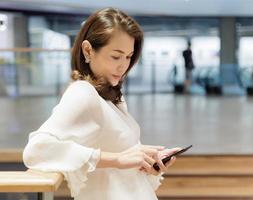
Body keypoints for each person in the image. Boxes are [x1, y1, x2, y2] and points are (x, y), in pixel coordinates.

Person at [22, 8, 181, 200]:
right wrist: (117, 159)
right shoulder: (82, 92)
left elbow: (116, 163)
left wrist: (147, 162)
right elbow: (37, 150)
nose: (124, 66)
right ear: (88, 50)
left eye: (129, 56)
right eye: (116, 56)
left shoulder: (111, 97)